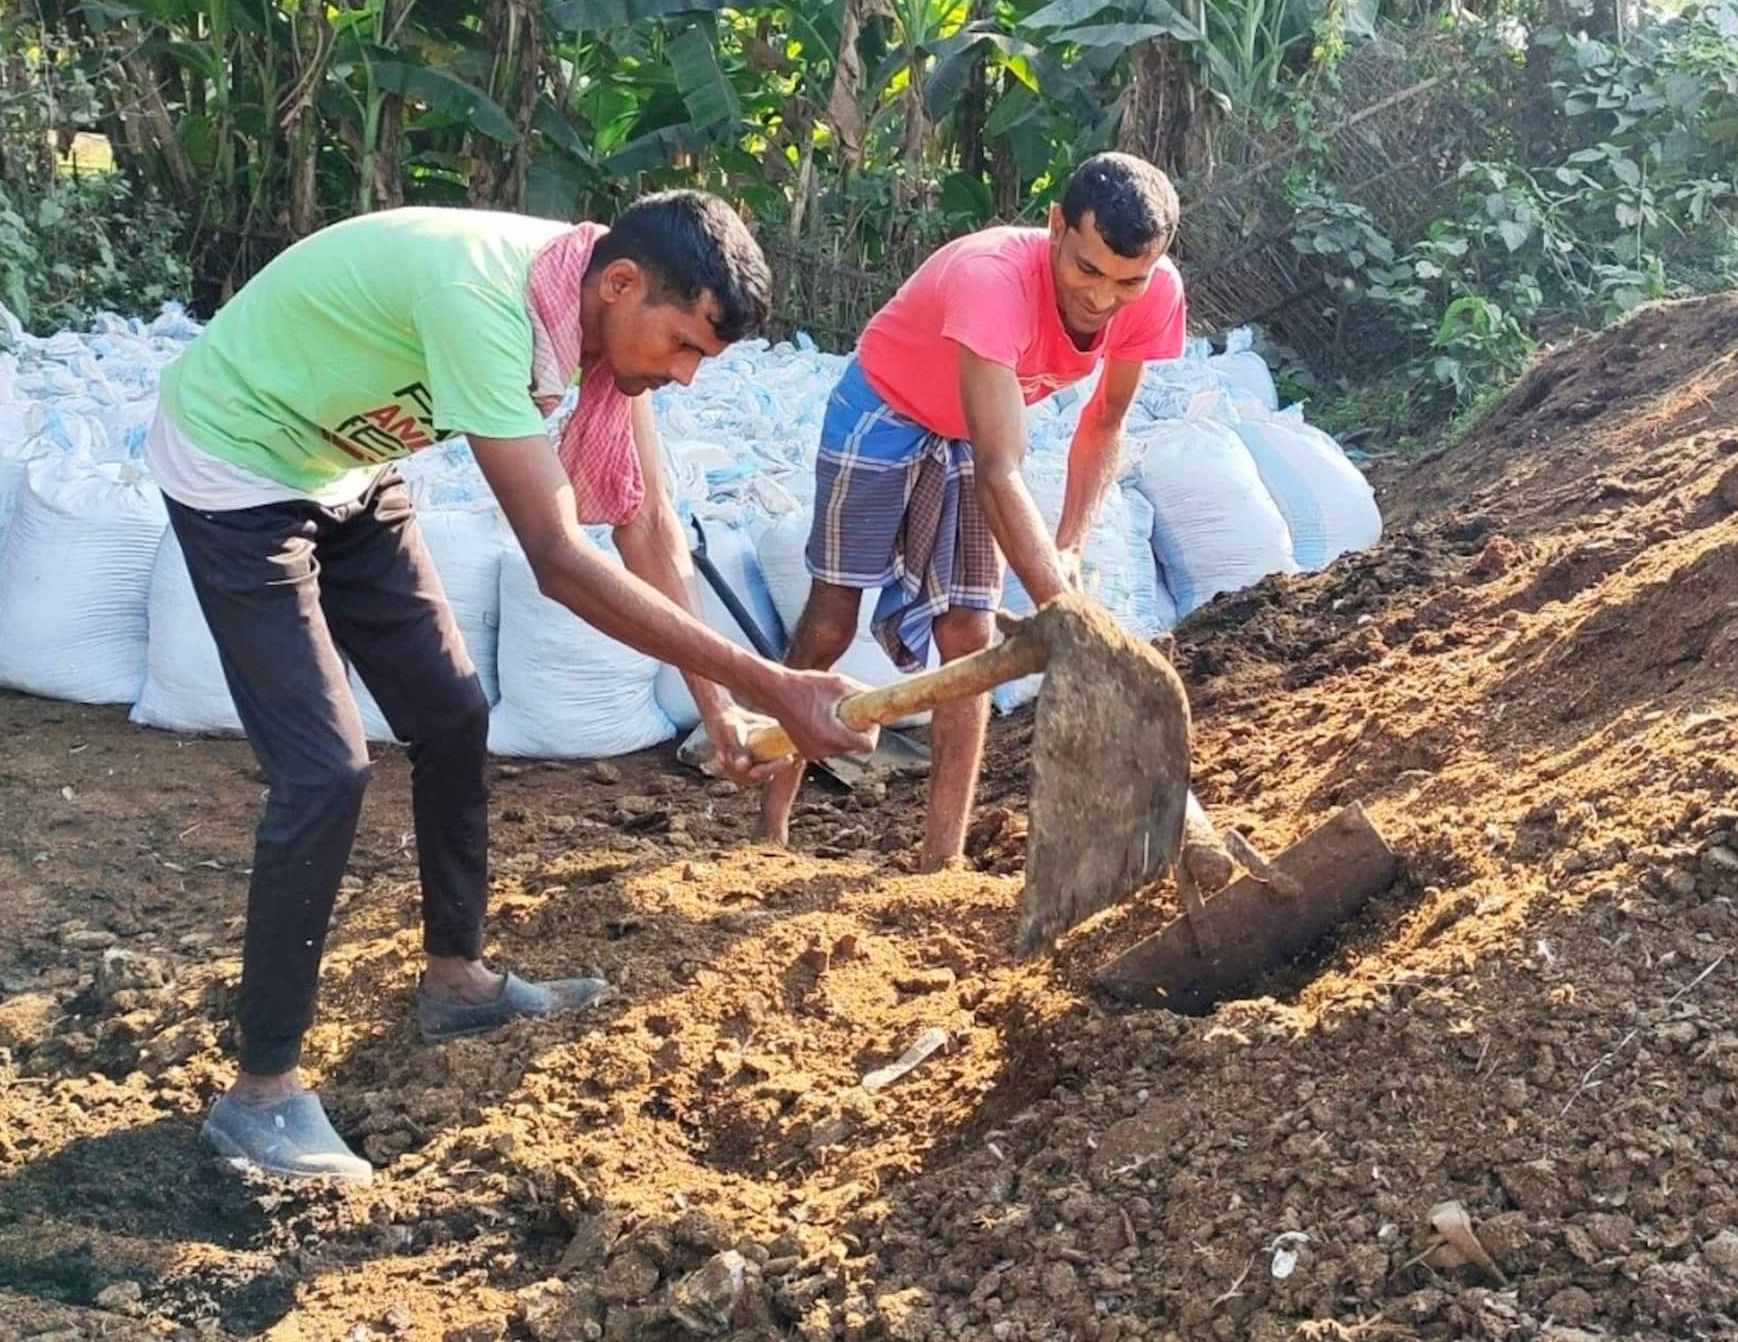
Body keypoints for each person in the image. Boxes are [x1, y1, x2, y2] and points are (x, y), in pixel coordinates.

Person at [147, 192, 876, 1185]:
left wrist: (724, 712)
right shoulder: (485, 304)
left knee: (453, 714)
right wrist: (772, 679)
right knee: (323, 772)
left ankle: (458, 982)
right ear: (619, 286)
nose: (680, 373)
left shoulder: (593, 319)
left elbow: (649, 531)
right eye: (679, 345)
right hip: (238, 460)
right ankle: (260, 1095)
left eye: (701, 359)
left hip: (344, 465)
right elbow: (556, 558)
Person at [760, 152, 1187, 869]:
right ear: (1056, 227)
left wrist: (1070, 546)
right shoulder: (993, 281)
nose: (1103, 299)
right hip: (885, 407)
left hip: (970, 427)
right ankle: (768, 828)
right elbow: (1000, 469)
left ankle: (940, 861)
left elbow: (1105, 423)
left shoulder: (1156, 295)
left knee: (972, 632)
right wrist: (1063, 611)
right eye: (1087, 271)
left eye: (1128, 281)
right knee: (832, 619)